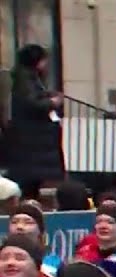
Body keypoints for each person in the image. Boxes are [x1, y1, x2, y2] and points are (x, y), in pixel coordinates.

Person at [6, 45, 64, 199]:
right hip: (31, 138)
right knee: (28, 179)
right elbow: (32, 103)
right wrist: (52, 102)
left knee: (32, 179)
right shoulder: (25, 79)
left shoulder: (30, 78)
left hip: (33, 139)